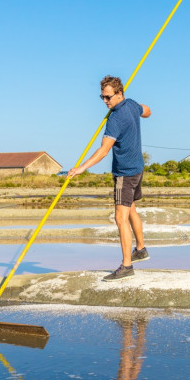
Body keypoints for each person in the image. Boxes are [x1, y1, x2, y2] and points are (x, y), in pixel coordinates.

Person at [67, 75, 151, 281]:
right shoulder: (131, 105)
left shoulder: (115, 118)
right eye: (102, 97)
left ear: (119, 93)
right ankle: (140, 249)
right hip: (138, 168)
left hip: (125, 173)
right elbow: (147, 111)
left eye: (108, 97)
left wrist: (81, 168)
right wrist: (139, 111)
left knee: (119, 218)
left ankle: (127, 266)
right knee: (131, 209)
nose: (105, 101)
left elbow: (104, 151)